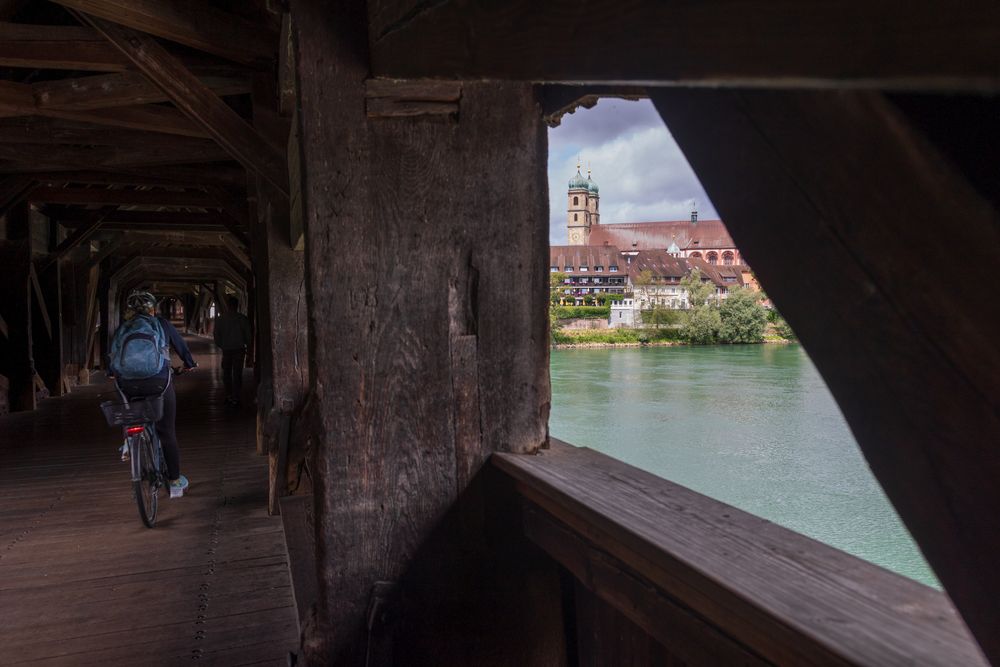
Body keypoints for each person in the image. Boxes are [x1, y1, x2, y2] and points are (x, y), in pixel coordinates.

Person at [109, 291, 197, 496]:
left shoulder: (123, 328)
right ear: (153, 309)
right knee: (166, 432)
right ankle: (174, 480)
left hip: (128, 384)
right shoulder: (162, 324)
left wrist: (112, 373)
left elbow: (112, 356)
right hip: (159, 383)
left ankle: (129, 441)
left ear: (128, 311)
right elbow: (181, 346)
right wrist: (189, 364)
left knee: (130, 413)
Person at [213, 296, 251, 407]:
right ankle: (236, 396)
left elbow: (216, 336)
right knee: (237, 373)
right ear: (237, 305)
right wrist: (247, 347)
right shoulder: (242, 319)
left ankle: (228, 395)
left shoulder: (221, 319)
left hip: (227, 350)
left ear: (227, 306)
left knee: (227, 373)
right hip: (239, 349)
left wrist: (222, 345)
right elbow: (248, 336)